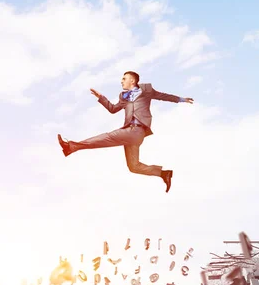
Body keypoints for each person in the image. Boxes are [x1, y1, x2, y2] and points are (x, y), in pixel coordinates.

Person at [57, 71, 194, 193]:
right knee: (133, 166)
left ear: (132, 81)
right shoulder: (124, 97)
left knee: (107, 137)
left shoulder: (147, 90)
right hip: (129, 133)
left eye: (124, 78)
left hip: (137, 131)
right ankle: (163, 174)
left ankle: (71, 146)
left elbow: (163, 96)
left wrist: (182, 99)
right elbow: (113, 109)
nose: (121, 81)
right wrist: (101, 98)